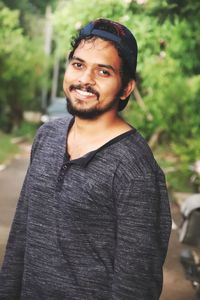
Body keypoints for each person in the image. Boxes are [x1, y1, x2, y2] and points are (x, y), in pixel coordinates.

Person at [0, 18, 171, 299]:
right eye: (78, 65)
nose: (85, 80)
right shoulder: (47, 136)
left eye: (103, 72)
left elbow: (136, 284)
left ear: (126, 87)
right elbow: (21, 236)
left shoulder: (135, 169)